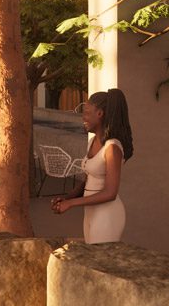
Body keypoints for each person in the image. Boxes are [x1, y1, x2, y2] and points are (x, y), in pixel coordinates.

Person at [53, 88, 131, 244]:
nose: (83, 117)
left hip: (107, 213)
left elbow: (110, 192)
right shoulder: (92, 142)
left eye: (87, 113)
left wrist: (71, 204)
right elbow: (88, 180)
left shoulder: (112, 148)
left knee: (102, 261)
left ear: (100, 114)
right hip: (90, 212)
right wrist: (67, 197)